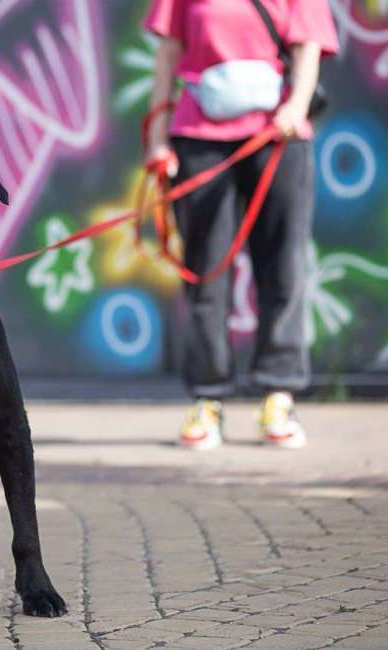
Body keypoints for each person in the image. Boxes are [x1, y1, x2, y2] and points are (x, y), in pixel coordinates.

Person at [143, 0, 339, 450]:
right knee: (205, 273)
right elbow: (169, 54)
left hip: (278, 136)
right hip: (199, 140)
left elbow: (308, 47)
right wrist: (157, 136)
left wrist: (296, 105)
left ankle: (279, 392)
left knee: (283, 266)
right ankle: (207, 398)